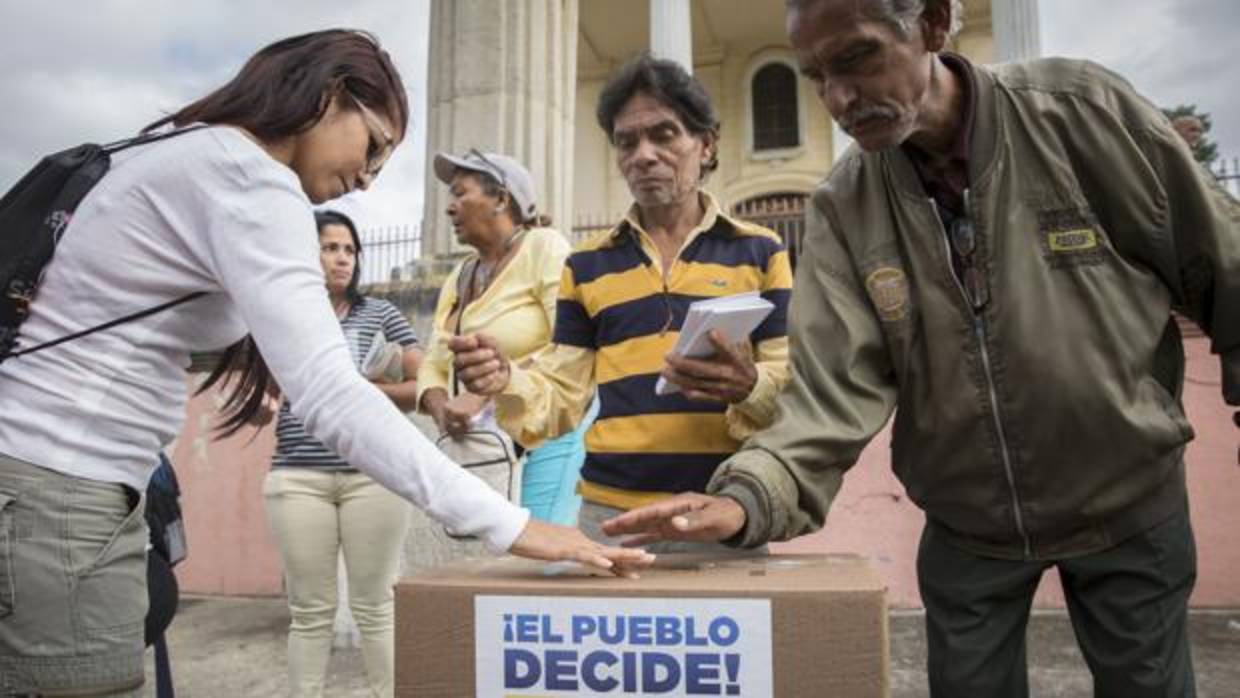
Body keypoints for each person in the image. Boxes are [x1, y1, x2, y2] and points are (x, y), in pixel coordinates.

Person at [605, 1, 1240, 696]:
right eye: (817, 75)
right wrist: (747, 498)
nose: (839, 98)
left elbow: (1223, 271)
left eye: (857, 58)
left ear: (934, 24)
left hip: (1130, 508)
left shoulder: (1080, 115)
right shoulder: (844, 205)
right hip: (968, 530)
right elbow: (830, 394)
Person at [0, 29, 651, 697]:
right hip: (59, 491)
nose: (368, 179)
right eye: (372, 145)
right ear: (330, 95)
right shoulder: (250, 180)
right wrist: (508, 525)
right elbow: (333, 396)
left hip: (50, 485)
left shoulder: (194, 153)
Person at [450, 54, 793, 551]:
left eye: (665, 134)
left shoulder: (760, 251)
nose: (644, 155)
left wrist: (749, 385)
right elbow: (562, 397)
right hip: (611, 520)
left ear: (707, 144)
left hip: (724, 512)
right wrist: (506, 380)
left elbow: (791, 386)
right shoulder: (586, 265)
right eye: (626, 141)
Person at [259, 210, 420, 697]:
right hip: (297, 478)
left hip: (372, 477)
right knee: (310, 611)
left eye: (349, 250)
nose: (342, 258)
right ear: (307, 254)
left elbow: (419, 387)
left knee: (375, 605)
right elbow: (263, 390)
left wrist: (361, 390)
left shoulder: (382, 315)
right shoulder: (282, 315)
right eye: (331, 248)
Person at [418, 150, 592, 526]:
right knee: (500, 550)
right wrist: (441, 409)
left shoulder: (544, 246)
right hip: (491, 443)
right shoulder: (462, 275)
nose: (449, 208)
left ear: (501, 199)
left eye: (460, 193)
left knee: (541, 549)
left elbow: (569, 343)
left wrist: (482, 392)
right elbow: (434, 358)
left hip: (551, 425)